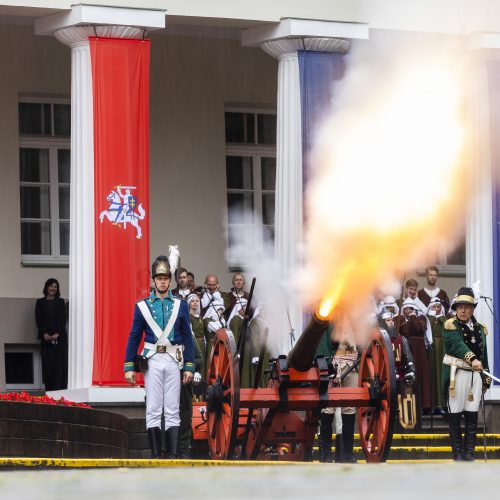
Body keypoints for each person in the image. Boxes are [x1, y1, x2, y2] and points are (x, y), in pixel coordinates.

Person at [124, 255, 195, 459]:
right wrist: (129, 366)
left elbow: (188, 338)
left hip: (174, 359)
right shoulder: (142, 306)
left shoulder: (181, 305)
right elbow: (134, 336)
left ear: (170, 280)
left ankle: (172, 455)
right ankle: (156, 454)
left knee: (172, 408)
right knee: (154, 409)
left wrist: (189, 366)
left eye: (165, 278)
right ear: (153, 281)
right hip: (152, 360)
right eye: (159, 278)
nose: (162, 281)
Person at [442, 287, 491, 461]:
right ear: (455, 308)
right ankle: (457, 454)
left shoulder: (480, 328)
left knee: (472, 414)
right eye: (459, 306)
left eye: (467, 307)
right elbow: (456, 344)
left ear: (473, 308)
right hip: (457, 374)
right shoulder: (450, 325)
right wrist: (472, 358)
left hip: (475, 376)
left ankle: (469, 453)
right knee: (454, 414)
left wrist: (486, 378)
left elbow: (483, 354)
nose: (462, 310)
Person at [395, 298, 432, 414]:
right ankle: (409, 405)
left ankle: (423, 404)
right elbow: (403, 332)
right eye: (405, 309)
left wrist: (412, 317)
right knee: (408, 375)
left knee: (420, 374)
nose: (407, 310)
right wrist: (403, 320)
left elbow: (418, 329)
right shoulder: (401, 319)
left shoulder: (421, 318)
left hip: (419, 350)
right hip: (407, 349)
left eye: (410, 308)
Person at [35, 278, 68, 391]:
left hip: (60, 339)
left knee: (59, 366)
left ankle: (60, 392)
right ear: (46, 287)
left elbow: (63, 319)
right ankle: (50, 392)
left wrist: (57, 333)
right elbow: (38, 320)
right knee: (48, 365)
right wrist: (44, 334)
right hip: (46, 340)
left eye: (55, 286)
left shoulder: (60, 301)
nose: (53, 288)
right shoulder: (40, 302)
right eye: (51, 286)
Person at [427, 297, 447, 415]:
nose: (436, 309)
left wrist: (441, 318)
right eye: (434, 307)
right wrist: (431, 317)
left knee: (441, 374)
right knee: (432, 374)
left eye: (438, 307)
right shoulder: (428, 319)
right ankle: (433, 404)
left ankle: (442, 403)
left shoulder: (444, 319)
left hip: (442, 348)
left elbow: (447, 327)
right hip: (432, 349)